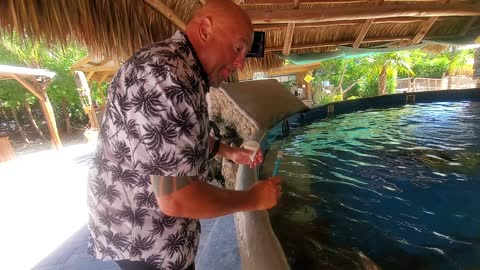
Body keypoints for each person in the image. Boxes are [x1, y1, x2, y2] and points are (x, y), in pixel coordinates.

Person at [86, 1, 282, 270]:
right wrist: (253, 199)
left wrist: (229, 151)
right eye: (238, 48)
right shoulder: (165, 77)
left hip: (154, 231)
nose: (239, 63)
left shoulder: (183, 71)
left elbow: (178, 142)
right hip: (144, 238)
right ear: (205, 29)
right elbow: (177, 198)